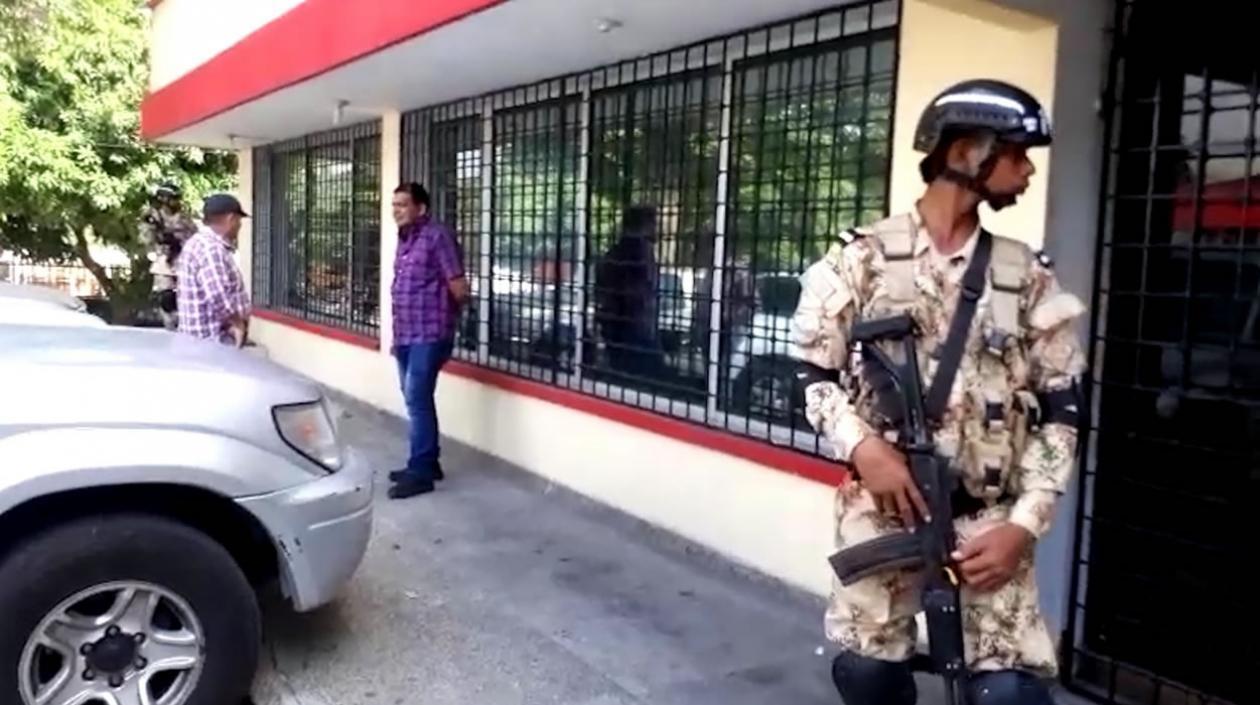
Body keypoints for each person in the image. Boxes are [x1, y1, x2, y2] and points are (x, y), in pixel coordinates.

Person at [789, 79, 1087, 705]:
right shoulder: (862, 259)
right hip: (884, 513)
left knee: (1008, 694)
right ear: (965, 153)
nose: (1028, 170)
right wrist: (863, 447)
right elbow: (813, 375)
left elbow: (1063, 410)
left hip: (988, 521)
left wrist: (1025, 525)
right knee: (868, 675)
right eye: (1016, 153)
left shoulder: (1026, 276)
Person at [387, 182, 469, 500]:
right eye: (394, 204)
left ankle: (420, 472)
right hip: (405, 334)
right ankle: (429, 462)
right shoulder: (405, 239)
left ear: (420, 208)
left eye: (402, 204)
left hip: (429, 334)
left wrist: (449, 318)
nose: (396, 210)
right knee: (415, 399)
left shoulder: (437, 236)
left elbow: (458, 285)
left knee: (417, 398)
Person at [593, 206, 666, 383]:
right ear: (644, 225)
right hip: (632, 327)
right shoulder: (639, 252)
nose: (657, 228)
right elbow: (639, 291)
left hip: (615, 326)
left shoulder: (613, 253)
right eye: (654, 224)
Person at [177, 194, 251, 347]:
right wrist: (237, 323)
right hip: (213, 343)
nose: (239, 226)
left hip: (198, 342)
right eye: (238, 221)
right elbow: (218, 296)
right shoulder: (211, 249)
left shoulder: (197, 243)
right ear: (231, 219)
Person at [139, 181, 198, 330]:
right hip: (164, 262)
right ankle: (170, 328)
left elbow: (194, 237)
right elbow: (145, 239)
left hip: (183, 262)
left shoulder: (184, 218)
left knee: (186, 298)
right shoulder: (153, 216)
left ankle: (184, 326)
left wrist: (177, 239)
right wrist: (154, 231)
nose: (177, 202)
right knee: (166, 298)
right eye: (173, 199)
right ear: (164, 199)